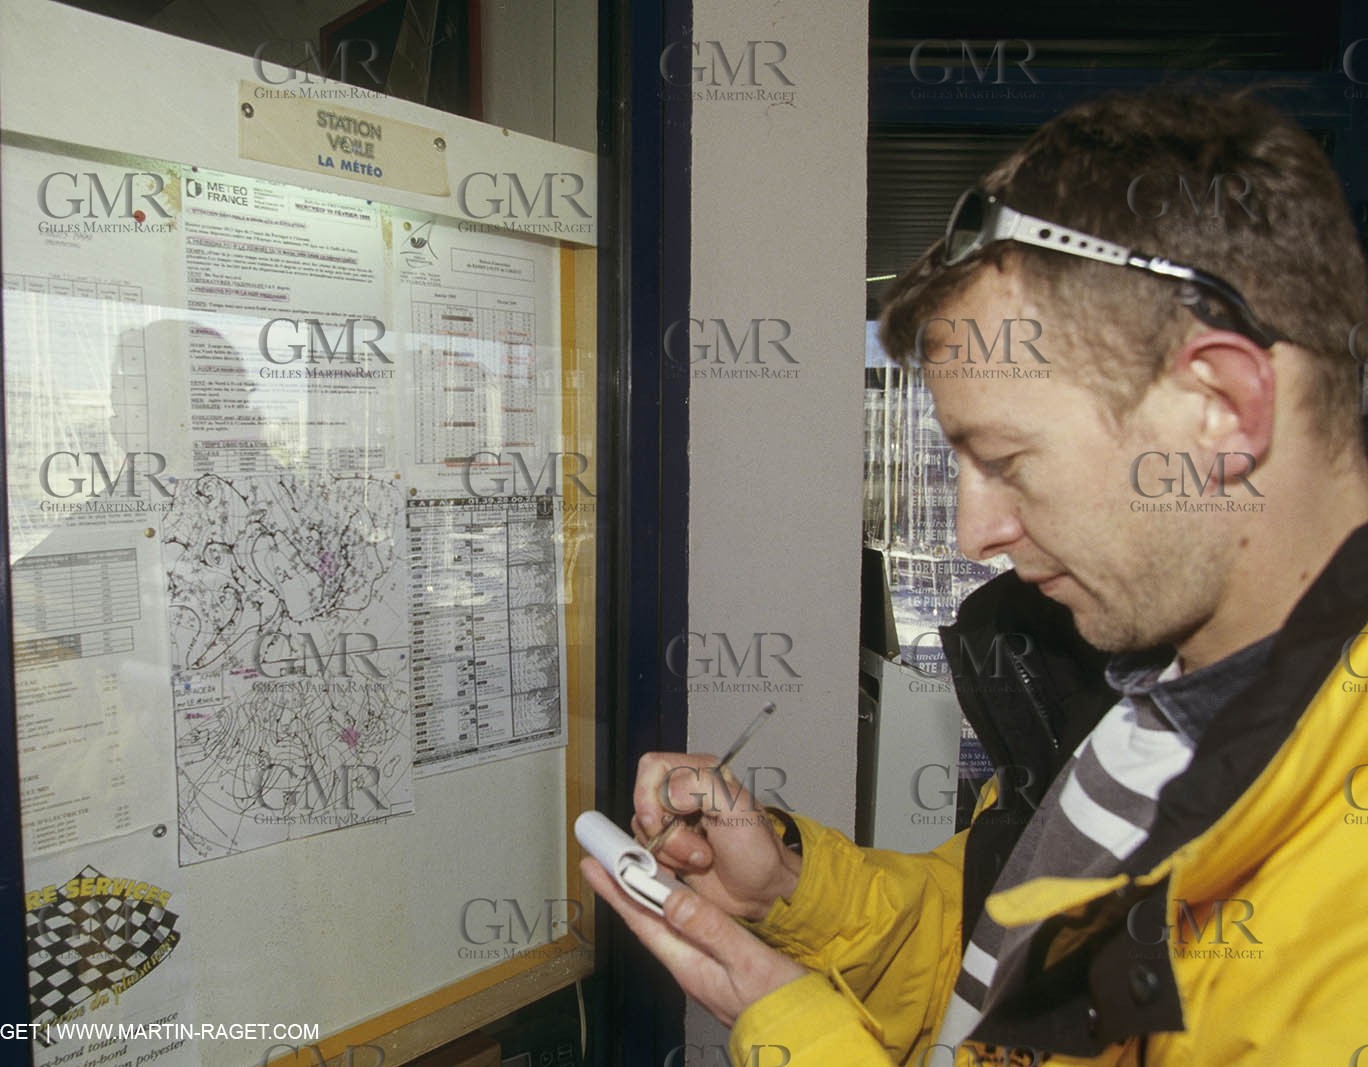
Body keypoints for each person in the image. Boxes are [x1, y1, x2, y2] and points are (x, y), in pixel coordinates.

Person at [583, 89, 1368, 1065]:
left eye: (1004, 458)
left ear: (1220, 405)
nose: (974, 532)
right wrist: (792, 888)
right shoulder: (1132, 689)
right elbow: (1012, 948)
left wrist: (803, 1036)